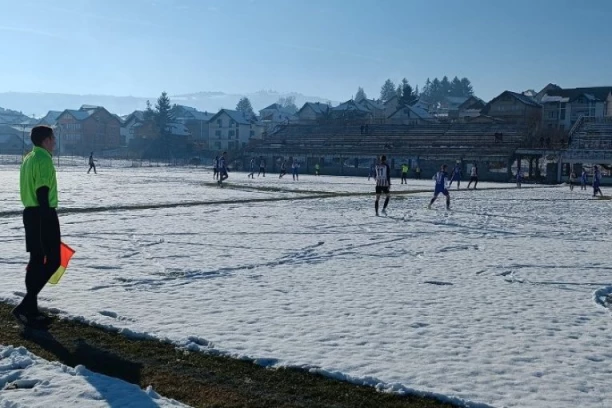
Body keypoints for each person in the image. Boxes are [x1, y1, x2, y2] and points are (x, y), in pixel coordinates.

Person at [13, 126, 61, 328]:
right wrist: (46, 219)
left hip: (30, 213)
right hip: (43, 213)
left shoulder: (28, 158)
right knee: (53, 261)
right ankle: (26, 305)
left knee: (36, 260)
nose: (55, 142)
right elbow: (42, 190)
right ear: (46, 140)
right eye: (53, 138)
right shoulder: (42, 159)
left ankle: (30, 309)